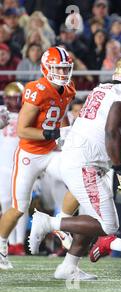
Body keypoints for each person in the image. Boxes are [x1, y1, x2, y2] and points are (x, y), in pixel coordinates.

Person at [28, 56, 121, 280]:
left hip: (84, 160)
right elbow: (111, 132)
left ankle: (68, 267)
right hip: (84, 164)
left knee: (91, 219)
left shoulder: (104, 89)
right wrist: (120, 169)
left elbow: (100, 132)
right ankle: (48, 222)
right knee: (109, 225)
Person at [0, 47, 75, 270]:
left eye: (65, 69)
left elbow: (61, 117)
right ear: (45, 68)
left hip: (51, 153)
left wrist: (65, 135)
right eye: (57, 68)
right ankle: (1, 246)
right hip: (30, 154)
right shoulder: (37, 89)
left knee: (79, 180)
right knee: (18, 207)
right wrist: (47, 133)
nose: (62, 73)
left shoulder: (69, 88)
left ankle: (57, 223)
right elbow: (23, 130)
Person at [0, 82, 25, 256]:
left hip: (21, 165)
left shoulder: (27, 112)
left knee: (21, 204)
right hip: (3, 165)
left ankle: (19, 242)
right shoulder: (1, 112)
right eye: (8, 97)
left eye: (13, 97)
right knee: (5, 203)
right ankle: (6, 241)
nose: (10, 101)